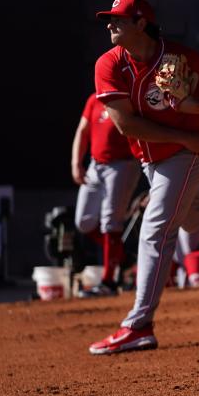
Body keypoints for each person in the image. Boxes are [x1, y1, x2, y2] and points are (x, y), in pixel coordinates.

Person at [88, 0, 199, 355]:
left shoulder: (181, 57)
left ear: (141, 23)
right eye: (109, 19)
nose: (110, 24)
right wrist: (180, 132)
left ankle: (139, 325)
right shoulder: (109, 64)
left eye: (118, 19)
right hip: (162, 153)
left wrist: (193, 106)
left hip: (189, 153)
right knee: (192, 216)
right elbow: (126, 125)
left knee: (155, 231)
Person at [71, 91, 142, 296]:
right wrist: (76, 162)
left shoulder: (130, 98)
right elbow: (82, 131)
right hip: (96, 164)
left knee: (111, 222)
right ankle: (119, 255)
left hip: (122, 164)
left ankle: (109, 281)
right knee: (84, 221)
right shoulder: (94, 99)